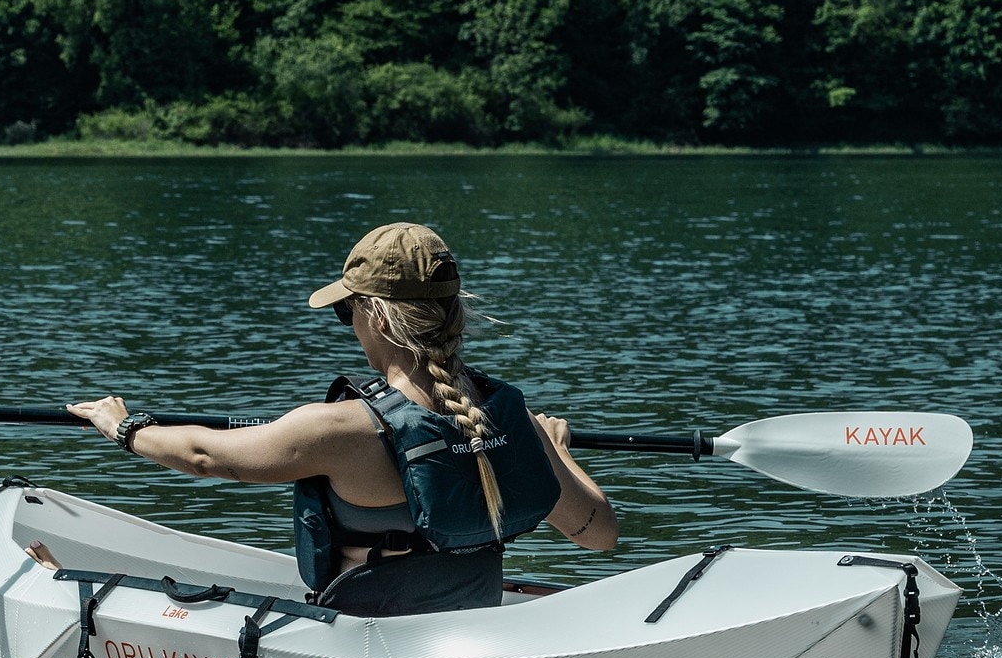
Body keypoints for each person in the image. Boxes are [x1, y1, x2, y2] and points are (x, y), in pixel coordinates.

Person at [67, 222, 617, 616]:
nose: (347, 324)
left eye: (344, 310)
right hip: (468, 629)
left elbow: (204, 456)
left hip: (367, 645)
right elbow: (598, 535)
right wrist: (553, 450)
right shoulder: (508, 418)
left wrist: (126, 428)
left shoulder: (338, 430)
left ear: (377, 316)